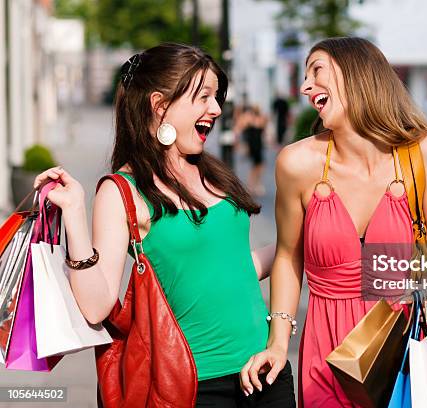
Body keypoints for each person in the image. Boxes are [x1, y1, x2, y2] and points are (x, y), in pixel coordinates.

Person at [33, 43, 295, 407]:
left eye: (216, 97)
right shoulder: (122, 190)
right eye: (203, 96)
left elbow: (233, 266)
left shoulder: (212, 172)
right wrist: (75, 214)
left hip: (266, 373)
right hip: (193, 387)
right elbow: (96, 307)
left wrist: (296, 243)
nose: (216, 109)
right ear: (160, 106)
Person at [240, 37, 427, 407]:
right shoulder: (297, 163)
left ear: (358, 76)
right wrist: (279, 343)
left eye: (317, 71)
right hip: (324, 353)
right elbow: (287, 256)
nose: (305, 87)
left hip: (399, 352)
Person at [239, 105, 268, 196]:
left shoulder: (258, 119)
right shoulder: (250, 120)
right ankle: (252, 186)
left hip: (258, 145)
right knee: (256, 167)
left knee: (258, 167)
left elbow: (263, 127)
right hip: (254, 146)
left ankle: (254, 185)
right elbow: (242, 128)